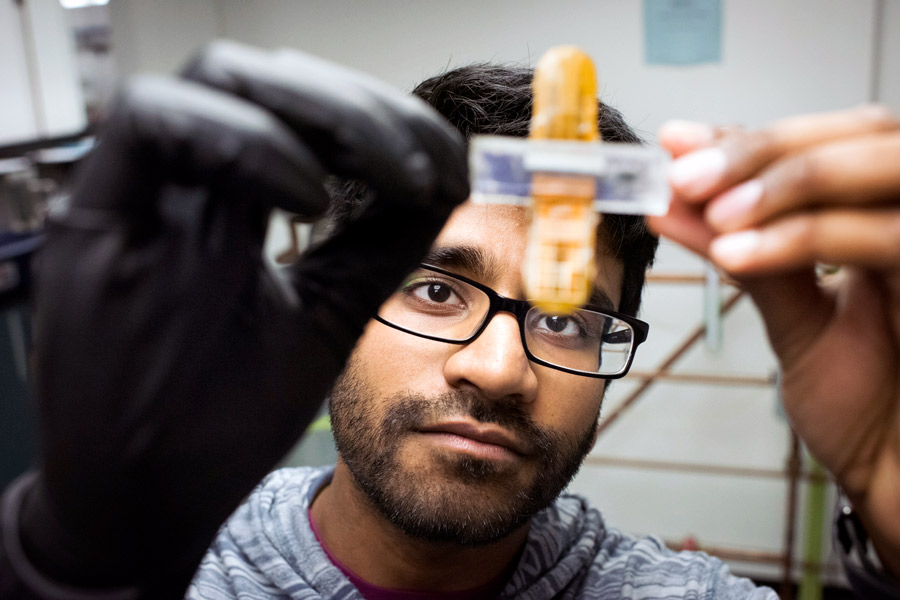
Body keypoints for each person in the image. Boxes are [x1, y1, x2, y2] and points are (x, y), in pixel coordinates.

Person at [0, 41, 898, 599]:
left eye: (567, 318)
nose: (500, 370)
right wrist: (70, 575)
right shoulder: (180, 569)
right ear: (336, 305)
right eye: (435, 290)